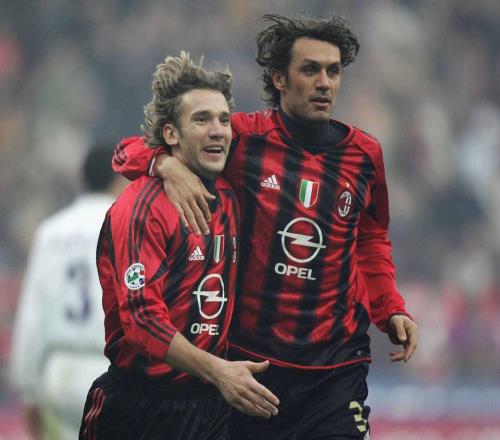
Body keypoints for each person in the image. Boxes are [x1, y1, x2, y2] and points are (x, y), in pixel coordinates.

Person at [112, 14, 418, 439]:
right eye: (310, 70)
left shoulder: (365, 155)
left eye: (333, 71)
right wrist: (164, 163)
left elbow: (370, 237)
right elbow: (125, 151)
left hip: (336, 367)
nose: (324, 83)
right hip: (251, 364)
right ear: (279, 78)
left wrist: (390, 308)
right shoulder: (242, 137)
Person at [79, 52, 279, 440]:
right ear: (171, 135)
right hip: (139, 406)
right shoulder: (142, 206)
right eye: (201, 119)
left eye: (224, 120)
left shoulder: (230, 194)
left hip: (208, 405)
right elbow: (142, 320)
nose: (218, 130)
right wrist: (219, 371)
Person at [10, 144, 127, 440]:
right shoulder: (127, 227)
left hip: (60, 372)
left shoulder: (51, 231)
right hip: (110, 370)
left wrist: (28, 388)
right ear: (119, 177)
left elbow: (32, 314)